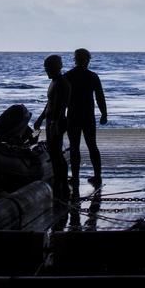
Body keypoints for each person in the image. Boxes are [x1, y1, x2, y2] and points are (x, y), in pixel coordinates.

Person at [64, 48, 108, 187]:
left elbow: (62, 99)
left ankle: (75, 177)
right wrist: (104, 113)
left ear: (75, 60)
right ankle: (97, 176)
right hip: (88, 115)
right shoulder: (92, 76)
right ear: (87, 60)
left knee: (74, 147)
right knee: (92, 146)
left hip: (73, 115)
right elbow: (100, 97)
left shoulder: (68, 76)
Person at [35, 55, 71, 194]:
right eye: (45, 68)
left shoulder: (63, 83)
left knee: (56, 153)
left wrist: (55, 122)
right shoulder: (54, 82)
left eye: (48, 69)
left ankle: (61, 181)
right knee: (53, 152)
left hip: (58, 121)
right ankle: (59, 180)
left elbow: (61, 106)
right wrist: (41, 118)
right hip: (51, 121)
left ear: (55, 68)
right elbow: (49, 103)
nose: (46, 71)